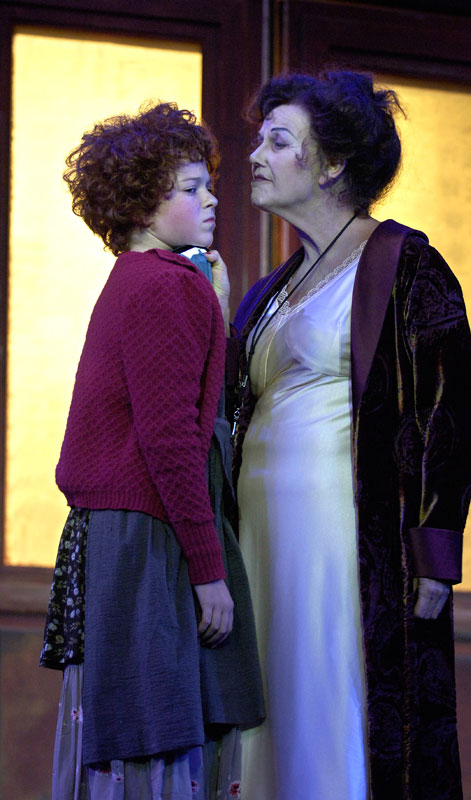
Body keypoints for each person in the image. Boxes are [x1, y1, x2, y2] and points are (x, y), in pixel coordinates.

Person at [231, 71, 471, 800]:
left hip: (342, 542)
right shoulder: (272, 288)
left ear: (332, 163)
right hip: (260, 537)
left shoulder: (405, 264)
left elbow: (448, 411)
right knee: (266, 715)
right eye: (259, 139)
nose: (255, 155)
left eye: (278, 141)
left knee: (331, 710)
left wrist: (432, 552)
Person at [40, 101, 264, 800]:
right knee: (154, 730)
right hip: (147, 535)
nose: (211, 198)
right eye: (190, 187)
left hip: (124, 530)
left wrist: (214, 312)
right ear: (141, 204)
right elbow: (171, 442)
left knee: (136, 733)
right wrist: (208, 569)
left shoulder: (141, 280)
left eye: (208, 184)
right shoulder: (165, 287)